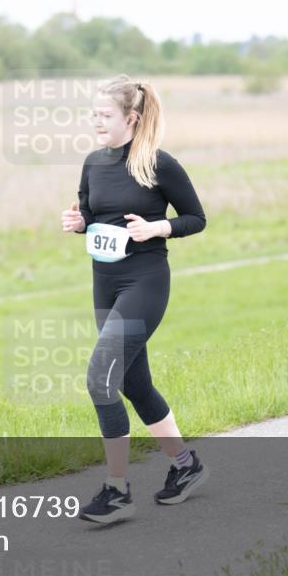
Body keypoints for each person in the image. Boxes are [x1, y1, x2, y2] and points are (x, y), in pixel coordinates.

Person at [60, 74, 208, 524]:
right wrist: (77, 220)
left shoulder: (159, 165)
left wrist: (156, 227)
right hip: (104, 283)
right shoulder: (92, 162)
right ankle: (186, 466)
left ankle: (118, 489)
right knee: (132, 384)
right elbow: (90, 211)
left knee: (100, 379)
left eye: (104, 116)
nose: (96, 123)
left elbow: (195, 218)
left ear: (132, 118)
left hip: (144, 282)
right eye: (93, 115)